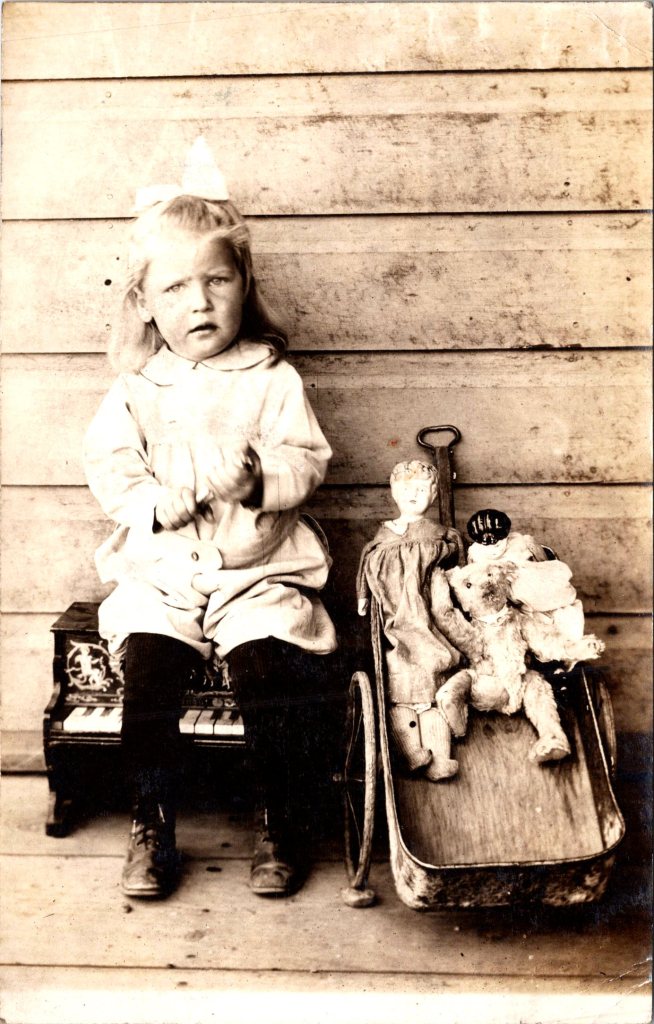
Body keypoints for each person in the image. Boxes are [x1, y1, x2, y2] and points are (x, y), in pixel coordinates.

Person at [84, 139, 337, 899]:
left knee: (268, 668)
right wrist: (155, 503)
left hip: (255, 567)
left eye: (216, 281)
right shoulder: (138, 387)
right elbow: (112, 468)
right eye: (176, 288)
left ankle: (279, 819)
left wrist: (260, 481)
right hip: (165, 572)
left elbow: (307, 459)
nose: (200, 302)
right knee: (149, 670)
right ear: (145, 303)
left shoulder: (271, 378)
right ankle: (151, 821)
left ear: (243, 285)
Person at [356, 460, 464, 780]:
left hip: (429, 616)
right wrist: (363, 597)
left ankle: (440, 756)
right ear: (393, 492)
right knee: (397, 674)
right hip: (394, 618)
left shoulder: (440, 536)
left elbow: (458, 573)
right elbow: (366, 566)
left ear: (434, 494)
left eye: (420, 489)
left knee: (434, 676)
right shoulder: (383, 537)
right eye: (405, 489)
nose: (412, 495)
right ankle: (410, 751)